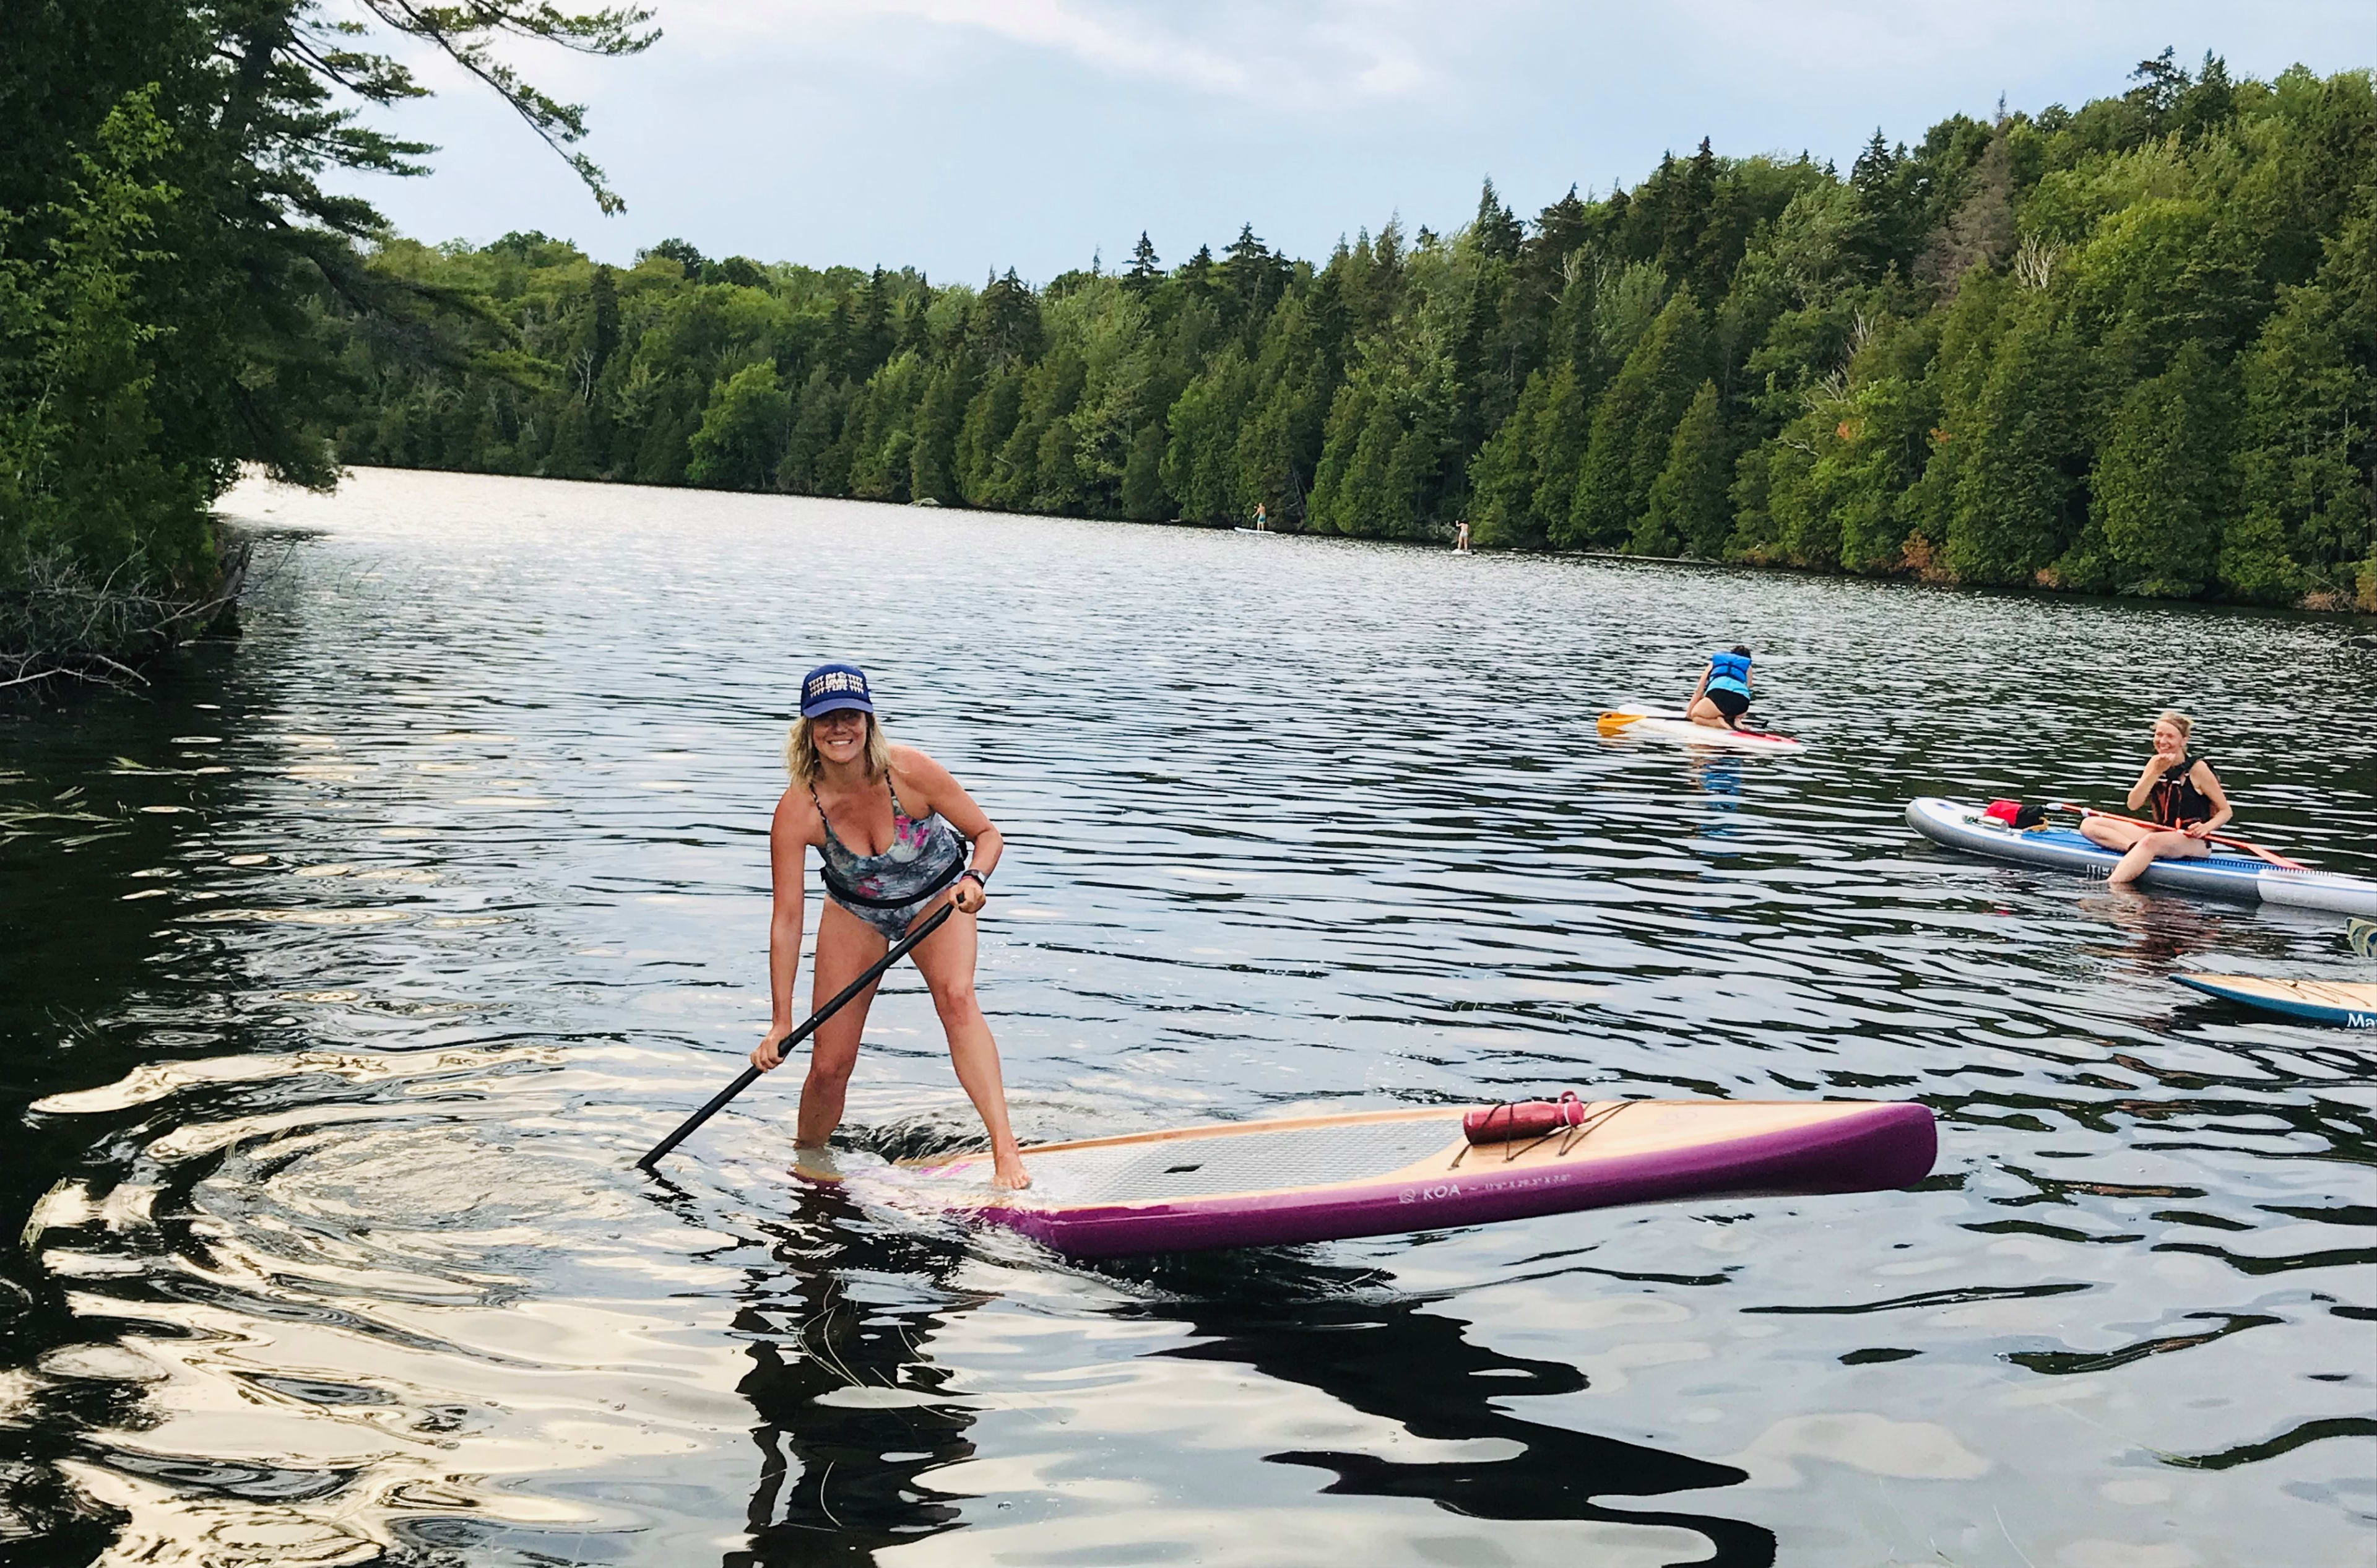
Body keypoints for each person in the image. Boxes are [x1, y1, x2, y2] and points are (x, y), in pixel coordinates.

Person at [749, 663, 1030, 1188]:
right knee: (831, 1063)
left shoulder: (909, 771)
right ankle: (806, 1165)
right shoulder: (798, 809)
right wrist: (779, 1021)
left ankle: (1006, 1154)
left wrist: (975, 876)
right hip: (857, 909)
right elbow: (787, 920)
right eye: (825, 719)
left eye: (850, 716)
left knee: (956, 999)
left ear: (868, 720)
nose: (839, 729)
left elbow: (987, 833)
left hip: (940, 899)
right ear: (807, 729)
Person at [2080, 710, 2233, 887]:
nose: (2163, 741)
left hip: (2192, 841)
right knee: (2090, 824)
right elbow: (2133, 804)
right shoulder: (2155, 763)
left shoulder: (2198, 769)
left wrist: (2206, 827)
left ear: (2183, 741)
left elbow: (2226, 811)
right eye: (2159, 735)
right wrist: (2155, 772)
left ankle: (2111, 886)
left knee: (2151, 842)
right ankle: (2135, 849)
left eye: (2170, 736)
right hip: (2160, 832)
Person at [1686, 645, 1755, 730]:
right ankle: (1736, 719)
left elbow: (1699, 691)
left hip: (1718, 696)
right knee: (1736, 700)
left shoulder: (1715, 663)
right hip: (1742, 703)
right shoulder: (1748, 666)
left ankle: (1721, 724)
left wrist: (1689, 715)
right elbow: (1747, 689)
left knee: (1696, 716)